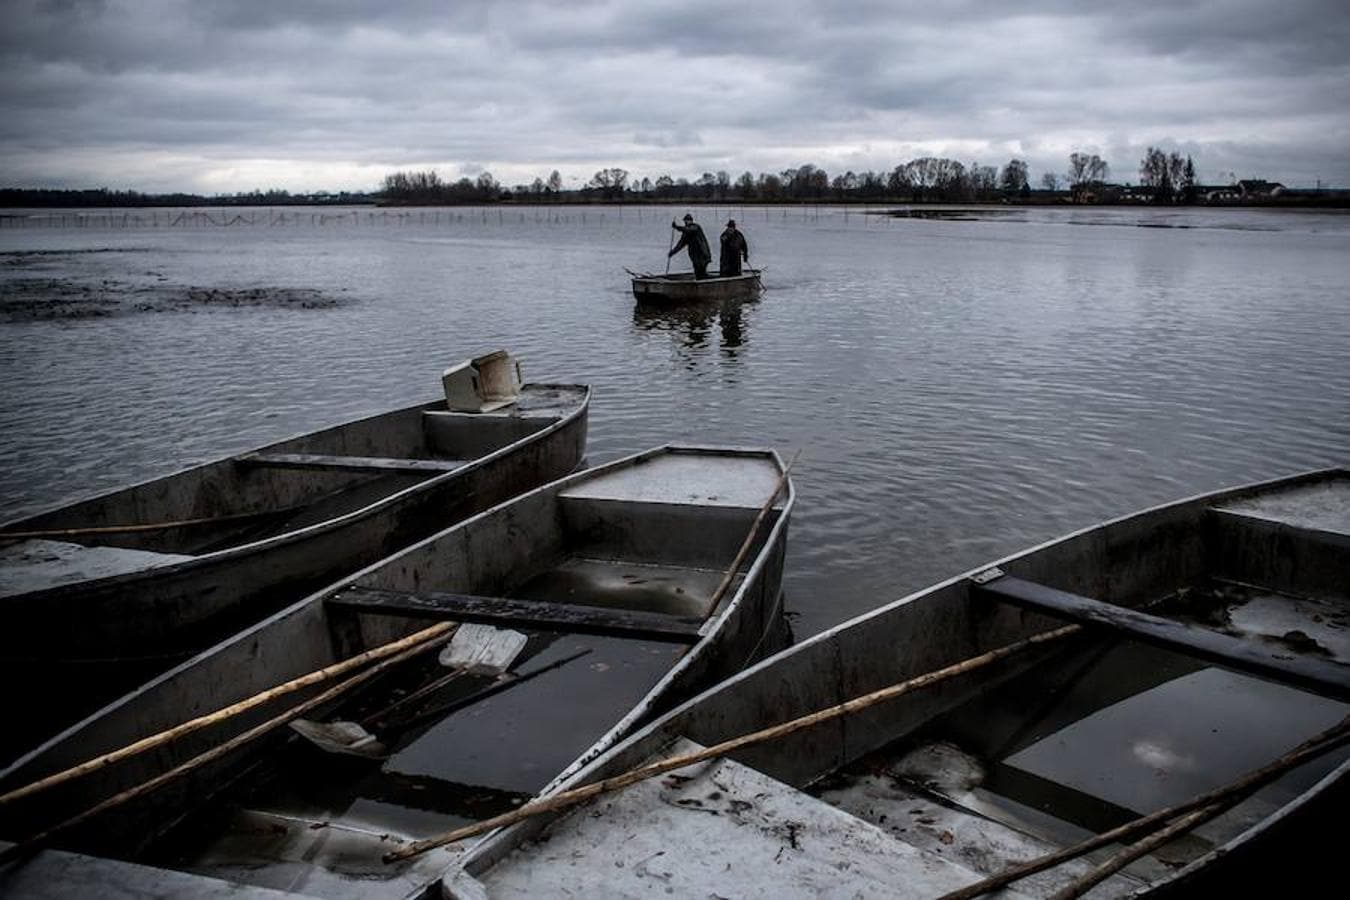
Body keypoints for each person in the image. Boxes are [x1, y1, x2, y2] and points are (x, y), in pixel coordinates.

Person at [669, 213, 711, 279]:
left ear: (691, 221)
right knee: (698, 272)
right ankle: (700, 284)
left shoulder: (696, 227)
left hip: (702, 255)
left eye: (687, 221)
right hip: (695, 257)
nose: (686, 222)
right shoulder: (686, 233)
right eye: (685, 221)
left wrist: (677, 227)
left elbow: (689, 229)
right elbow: (680, 245)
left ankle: (704, 285)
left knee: (701, 272)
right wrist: (672, 252)